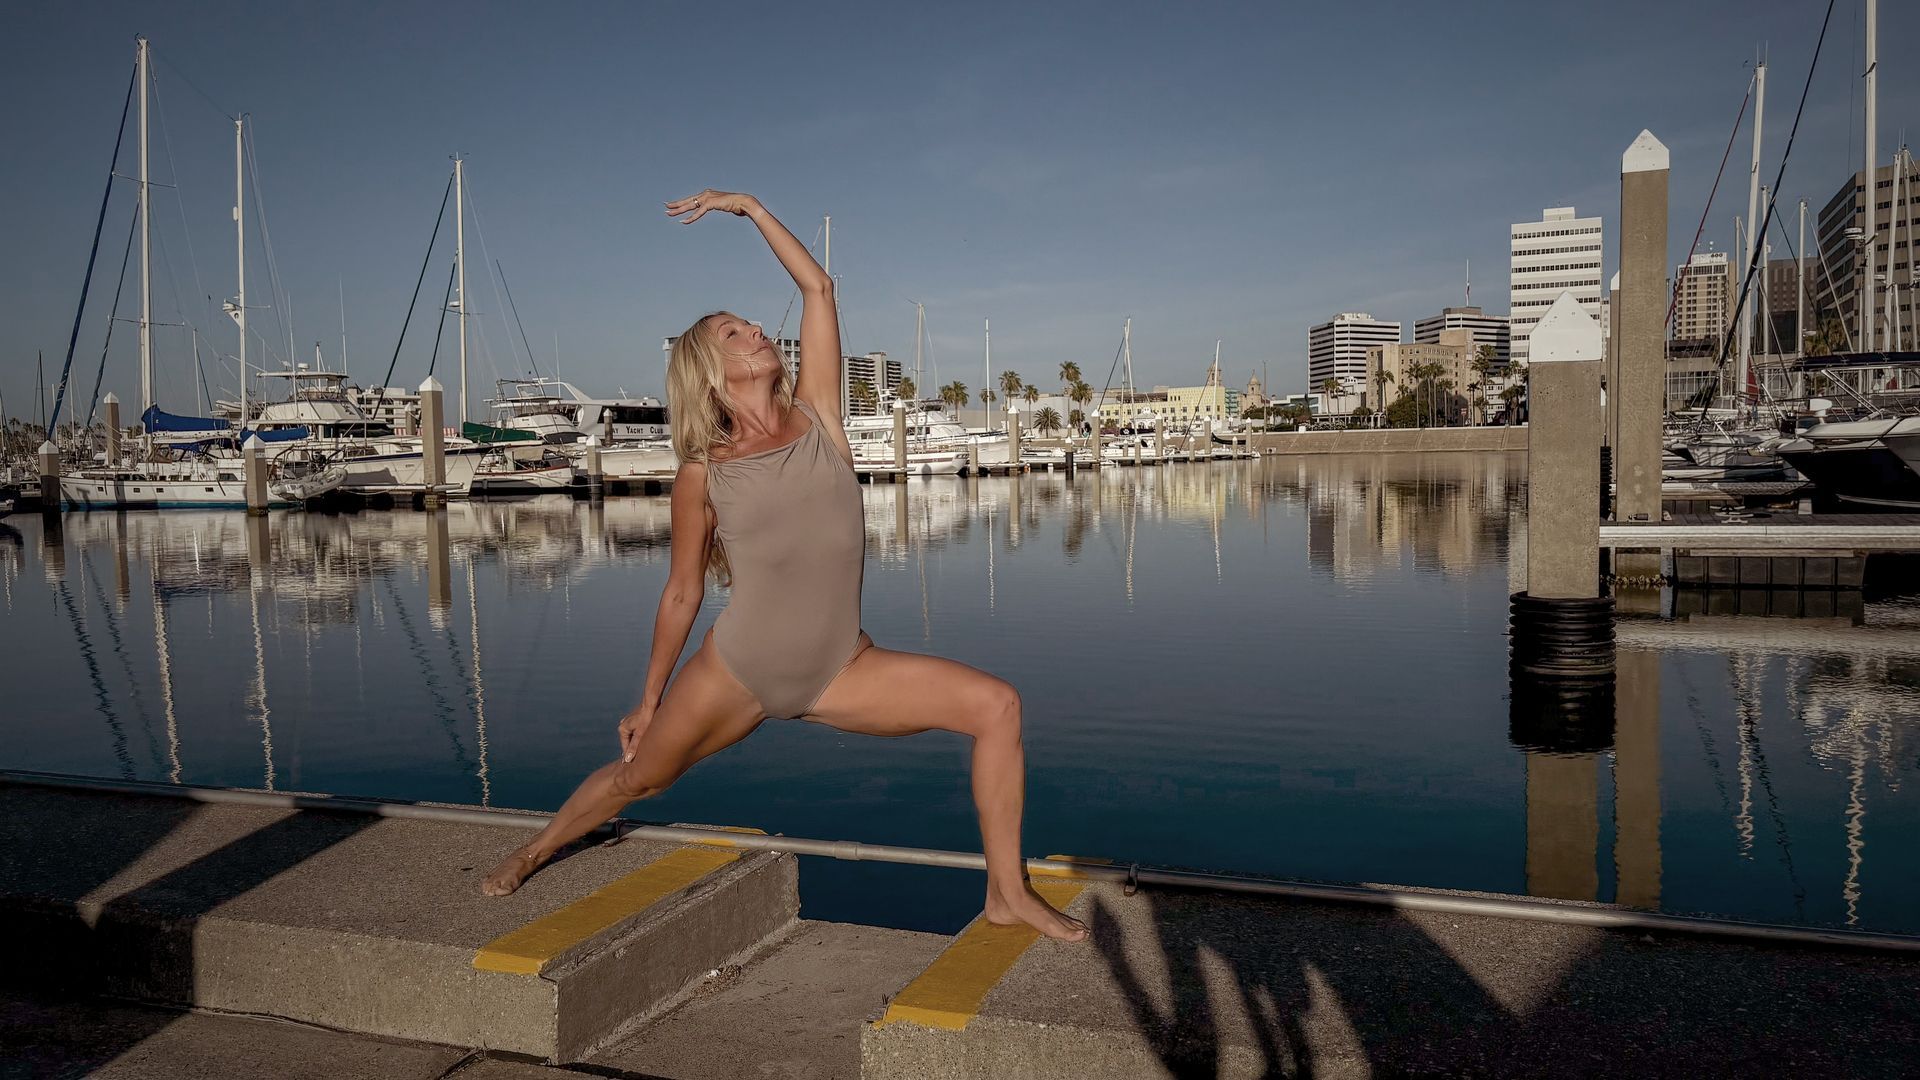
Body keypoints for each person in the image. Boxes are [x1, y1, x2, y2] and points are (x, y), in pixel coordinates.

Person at [481, 189, 1086, 942]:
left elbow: (818, 288)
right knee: (641, 779)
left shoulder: (821, 416)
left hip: (840, 669)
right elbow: (681, 591)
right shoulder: (703, 471)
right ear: (711, 370)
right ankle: (535, 849)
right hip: (737, 669)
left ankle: (1005, 892)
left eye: (751, 323)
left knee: (998, 708)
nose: (757, 331)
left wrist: (751, 209)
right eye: (735, 332)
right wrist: (648, 698)